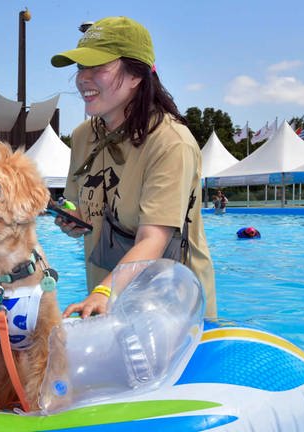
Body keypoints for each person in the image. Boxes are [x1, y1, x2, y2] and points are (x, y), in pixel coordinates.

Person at [50, 16, 216, 319]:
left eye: (98, 67)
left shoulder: (171, 142)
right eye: (80, 67)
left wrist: (103, 292)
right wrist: (71, 219)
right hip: (105, 307)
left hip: (173, 314)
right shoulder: (83, 137)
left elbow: (153, 239)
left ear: (136, 75)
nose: (83, 78)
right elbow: (82, 210)